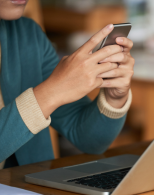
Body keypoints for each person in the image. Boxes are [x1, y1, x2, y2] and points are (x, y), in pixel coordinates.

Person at [0, 0, 134, 169]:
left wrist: (113, 99)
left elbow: (88, 140)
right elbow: (51, 93)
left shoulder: (28, 35)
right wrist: (51, 93)